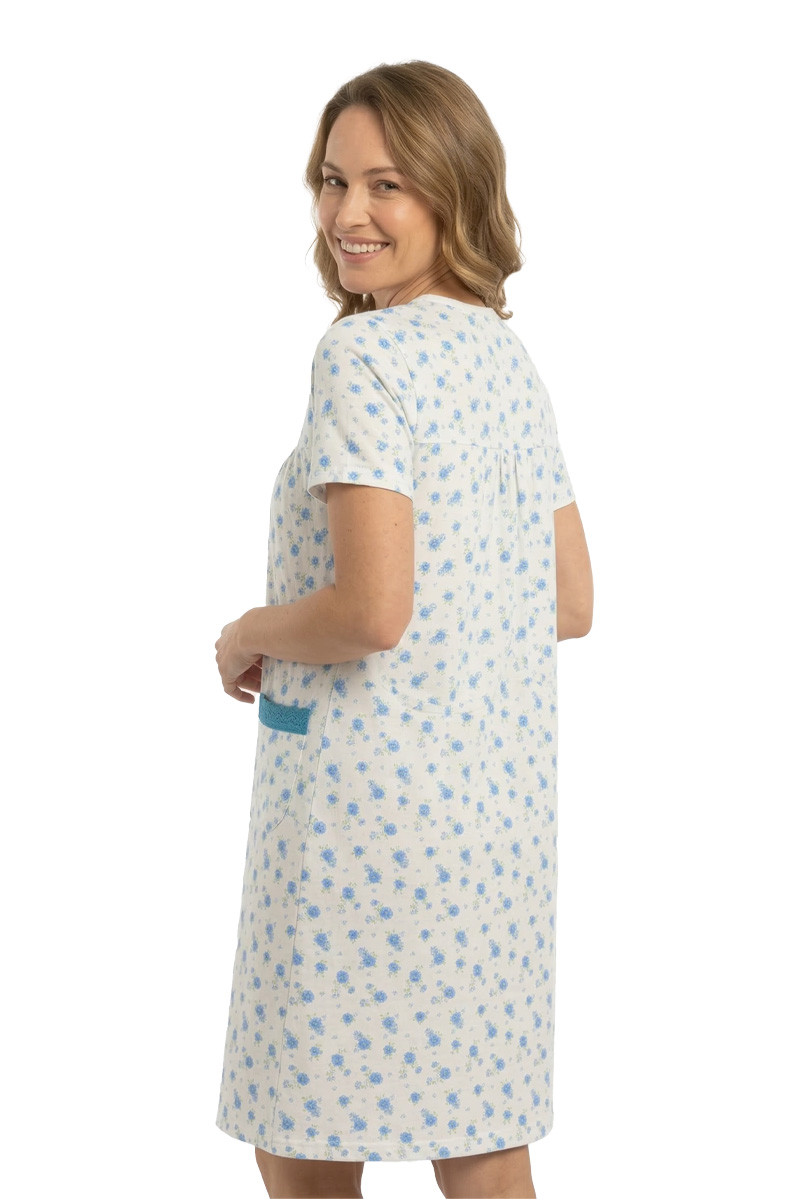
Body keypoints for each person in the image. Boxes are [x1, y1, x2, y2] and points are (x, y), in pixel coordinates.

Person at [214, 60, 593, 1200]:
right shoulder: (504, 359)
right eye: (333, 181)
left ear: (454, 191)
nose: (350, 213)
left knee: (304, 1136)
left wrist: (249, 629)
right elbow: (570, 599)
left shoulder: (363, 355)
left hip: (361, 830)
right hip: (494, 832)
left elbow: (372, 611)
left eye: (389, 184)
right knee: (480, 1142)